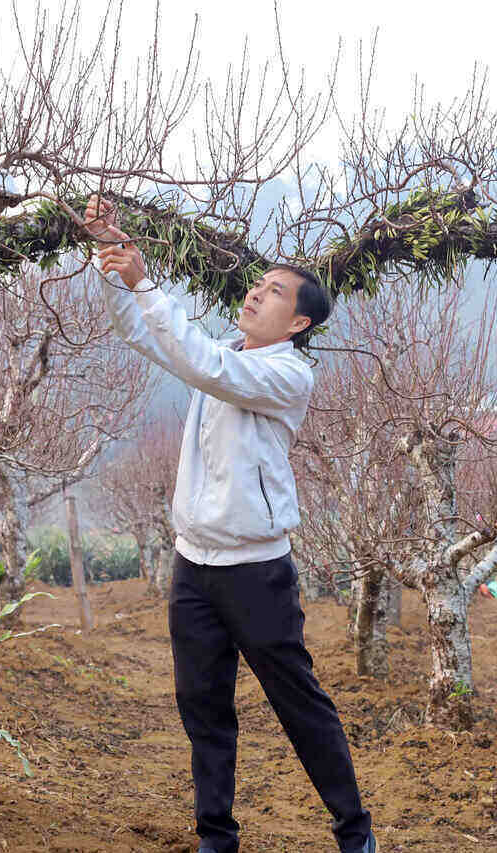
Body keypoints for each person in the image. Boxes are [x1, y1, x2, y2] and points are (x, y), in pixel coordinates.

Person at [84, 195, 376, 853]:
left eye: (273, 293)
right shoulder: (221, 349)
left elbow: (206, 367)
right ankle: (216, 836)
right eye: (257, 284)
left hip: (256, 570)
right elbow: (145, 333)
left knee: (298, 703)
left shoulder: (286, 374)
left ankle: (354, 832)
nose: (254, 294)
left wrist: (145, 280)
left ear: (299, 320)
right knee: (204, 708)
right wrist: (111, 264)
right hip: (194, 567)